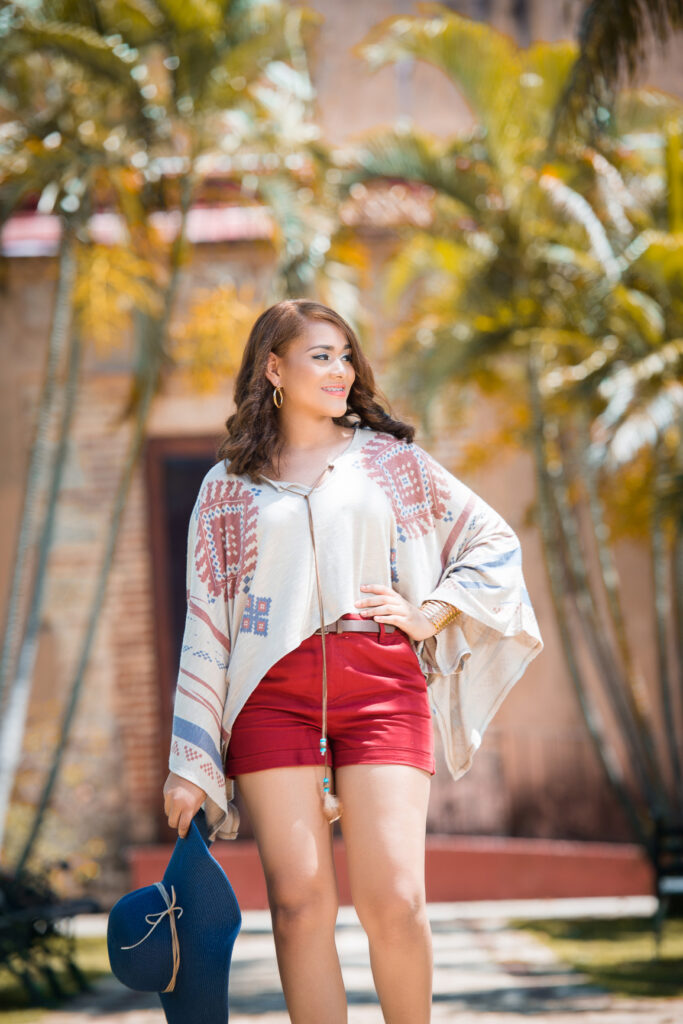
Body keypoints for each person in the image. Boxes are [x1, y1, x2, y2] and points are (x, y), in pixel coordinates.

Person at [163, 299, 544, 1024]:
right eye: (320, 355)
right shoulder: (223, 491)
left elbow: (490, 542)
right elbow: (206, 627)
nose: (340, 370)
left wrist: (428, 612)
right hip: (268, 699)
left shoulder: (388, 461)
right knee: (299, 908)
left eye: (345, 355)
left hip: (381, 686)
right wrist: (189, 759)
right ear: (273, 368)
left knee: (396, 901)